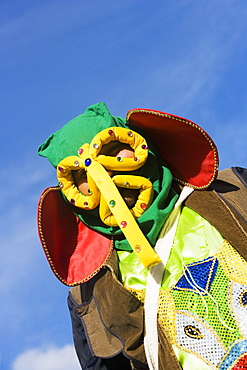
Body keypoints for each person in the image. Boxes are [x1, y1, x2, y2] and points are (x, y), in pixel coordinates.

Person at [37, 102, 247, 370]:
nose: (104, 172)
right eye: (82, 173)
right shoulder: (89, 293)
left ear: (143, 144)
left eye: (113, 150)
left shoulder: (232, 190)